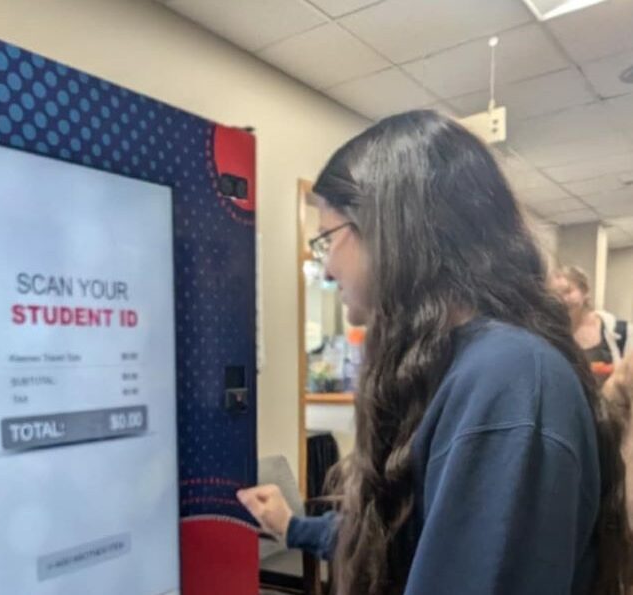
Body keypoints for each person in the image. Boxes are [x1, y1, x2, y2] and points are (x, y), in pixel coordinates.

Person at [238, 110, 629, 594]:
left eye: (327, 240)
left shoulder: (508, 379)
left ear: (390, 233)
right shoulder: (455, 365)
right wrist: (294, 527)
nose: (327, 266)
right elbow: (410, 533)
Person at [551, 265, 628, 379]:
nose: (562, 300)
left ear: (585, 291)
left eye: (568, 291)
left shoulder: (621, 332)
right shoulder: (551, 336)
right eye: (555, 295)